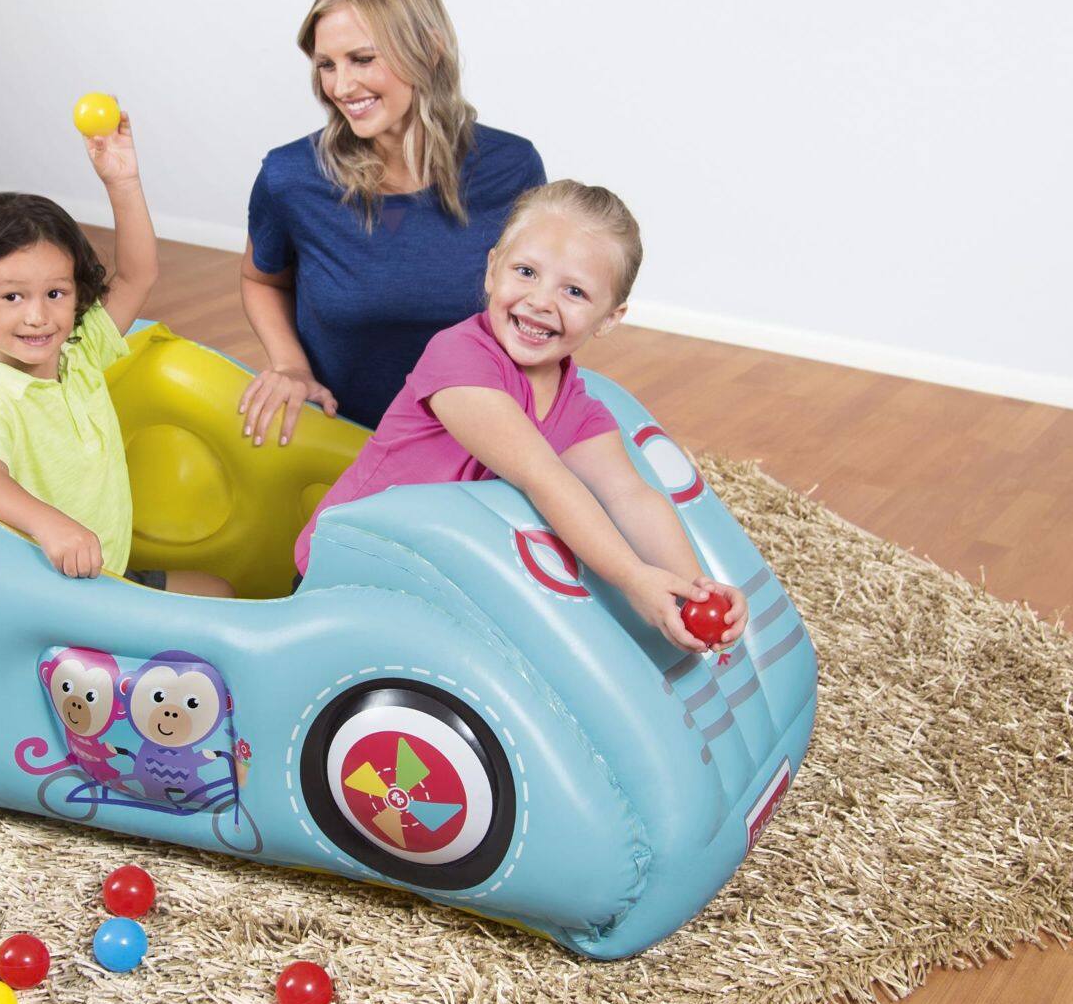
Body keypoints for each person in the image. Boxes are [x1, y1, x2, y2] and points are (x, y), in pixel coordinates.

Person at [293, 181, 748, 653]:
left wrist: (693, 588)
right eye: (526, 272)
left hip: (447, 592)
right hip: (352, 574)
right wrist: (634, 578)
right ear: (493, 270)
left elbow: (628, 495)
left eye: (574, 291)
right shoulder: (458, 358)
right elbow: (543, 477)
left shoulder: (577, 405)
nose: (541, 301)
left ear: (610, 318)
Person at [238, 0, 546, 445]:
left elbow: (540, 303)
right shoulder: (290, 177)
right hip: (345, 440)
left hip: (481, 441)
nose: (341, 86)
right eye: (326, 65)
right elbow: (261, 280)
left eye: (362, 59)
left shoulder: (513, 168)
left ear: (429, 48)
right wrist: (291, 366)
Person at [0, 117, 229, 596]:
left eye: (55, 293)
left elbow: (138, 276)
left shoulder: (80, 351)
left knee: (218, 591)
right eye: (12, 297)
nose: (38, 317)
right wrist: (51, 526)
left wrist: (123, 182)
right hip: (52, 591)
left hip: (107, 574)